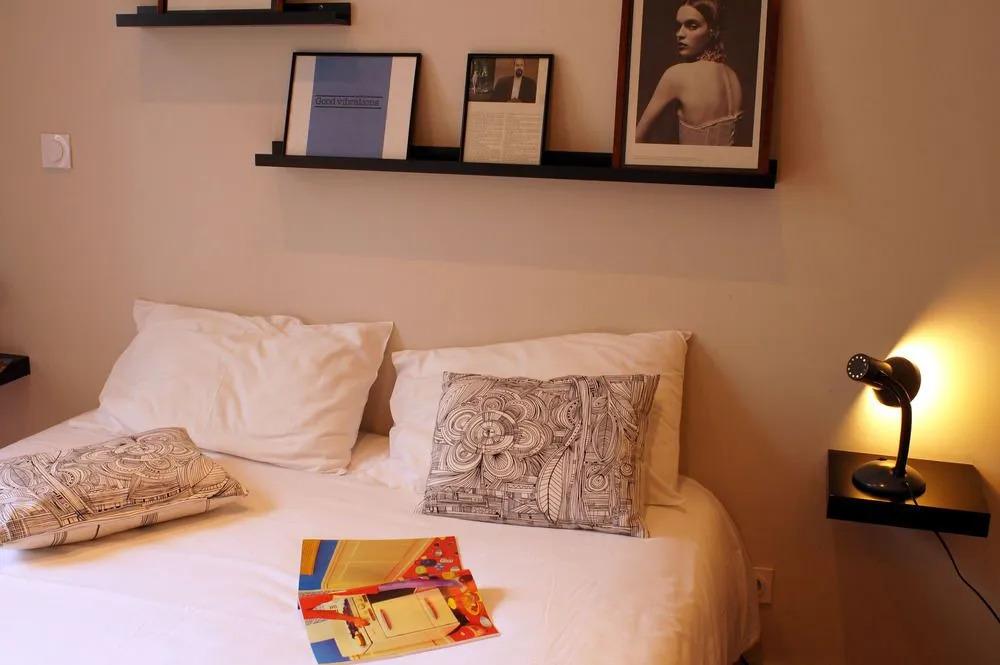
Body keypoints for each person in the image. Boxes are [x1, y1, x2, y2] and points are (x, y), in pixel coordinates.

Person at [636, 0, 743, 146]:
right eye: (679, 26)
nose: (680, 34)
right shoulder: (732, 77)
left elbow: (637, 139)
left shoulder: (677, 75)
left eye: (692, 26)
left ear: (713, 30)